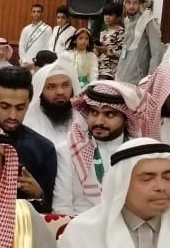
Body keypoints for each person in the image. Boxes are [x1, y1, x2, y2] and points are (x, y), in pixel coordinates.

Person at [52, 81, 142, 216]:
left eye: (109, 114)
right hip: (80, 223)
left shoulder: (139, 151)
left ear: (126, 117)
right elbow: (62, 207)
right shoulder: (67, 150)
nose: (99, 121)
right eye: (94, 112)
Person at [0, 66, 57, 214]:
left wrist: (38, 195)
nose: (13, 115)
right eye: (5, 107)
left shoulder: (43, 149)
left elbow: (48, 208)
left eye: (20, 108)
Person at [23, 61, 78, 146]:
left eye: (65, 85)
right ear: (40, 92)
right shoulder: (29, 124)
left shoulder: (83, 121)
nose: (60, 92)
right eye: (51, 87)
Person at [116, 0, 164, 83]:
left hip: (139, 72)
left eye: (135, 3)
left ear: (141, 4)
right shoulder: (127, 20)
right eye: (128, 3)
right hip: (123, 68)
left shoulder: (148, 20)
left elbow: (157, 51)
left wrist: (151, 75)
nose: (131, 6)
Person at [18, 5, 53, 70]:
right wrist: (24, 61)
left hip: (39, 65)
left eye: (38, 11)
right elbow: (21, 45)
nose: (36, 14)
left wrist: (36, 63)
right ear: (31, 13)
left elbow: (48, 48)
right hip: (25, 64)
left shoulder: (47, 29)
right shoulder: (26, 29)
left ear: (42, 14)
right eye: (34, 12)